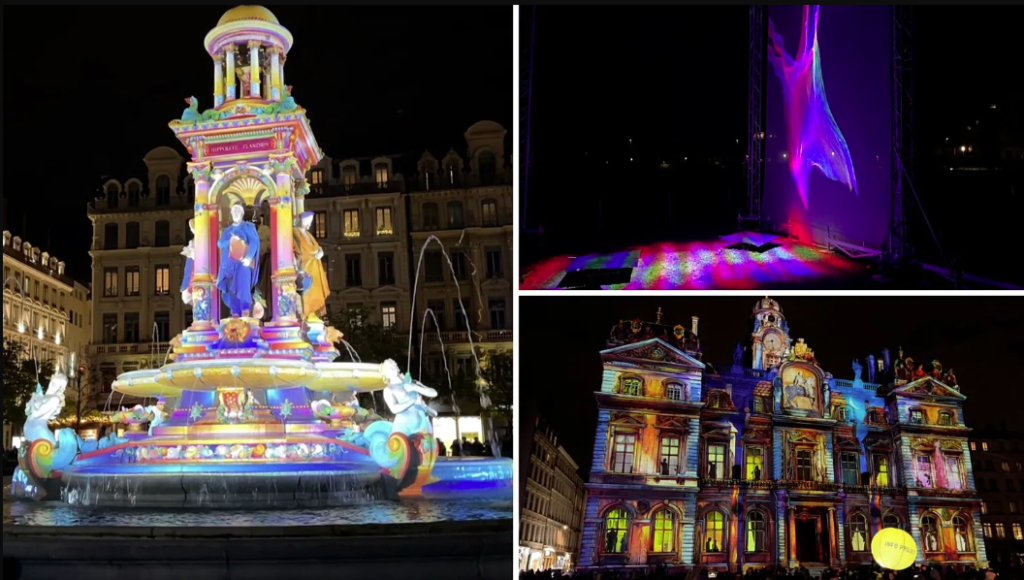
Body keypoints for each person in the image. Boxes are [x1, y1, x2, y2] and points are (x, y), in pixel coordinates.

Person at [216, 203, 260, 317]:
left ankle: (245, 309)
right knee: (231, 288)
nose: (236, 213)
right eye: (234, 211)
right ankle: (235, 311)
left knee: (243, 285)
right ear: (231, 214)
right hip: (229, 263)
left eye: (238, 211)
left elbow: (254, 242)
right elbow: (220, 243)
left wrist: (249, 257)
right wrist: (230, 240)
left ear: (242, 213)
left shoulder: (248, 227)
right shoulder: (228, 230)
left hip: (243, 262)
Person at [292, 211, 330, 320]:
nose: (310, 224)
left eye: (311, 222)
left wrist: (320, 252)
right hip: (306, 267)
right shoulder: (295, 232)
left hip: (315, 268)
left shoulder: (308, 234)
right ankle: (307, 315)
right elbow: (296, 250)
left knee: (315, 293)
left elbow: (316, 247)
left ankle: (312, 315)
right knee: (307, 294)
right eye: (308, 221)